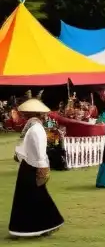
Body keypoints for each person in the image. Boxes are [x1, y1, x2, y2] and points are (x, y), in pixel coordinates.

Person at [9, 98, 63, 238]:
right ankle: (41, 225)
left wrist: (40, 167)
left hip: (29, 166)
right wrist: (42, 167)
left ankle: (36, 226)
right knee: (34, 197)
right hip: (31, 166)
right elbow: (36, 151)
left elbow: (31, 151)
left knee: (31, 197)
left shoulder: (32, 128)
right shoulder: (35, 128)